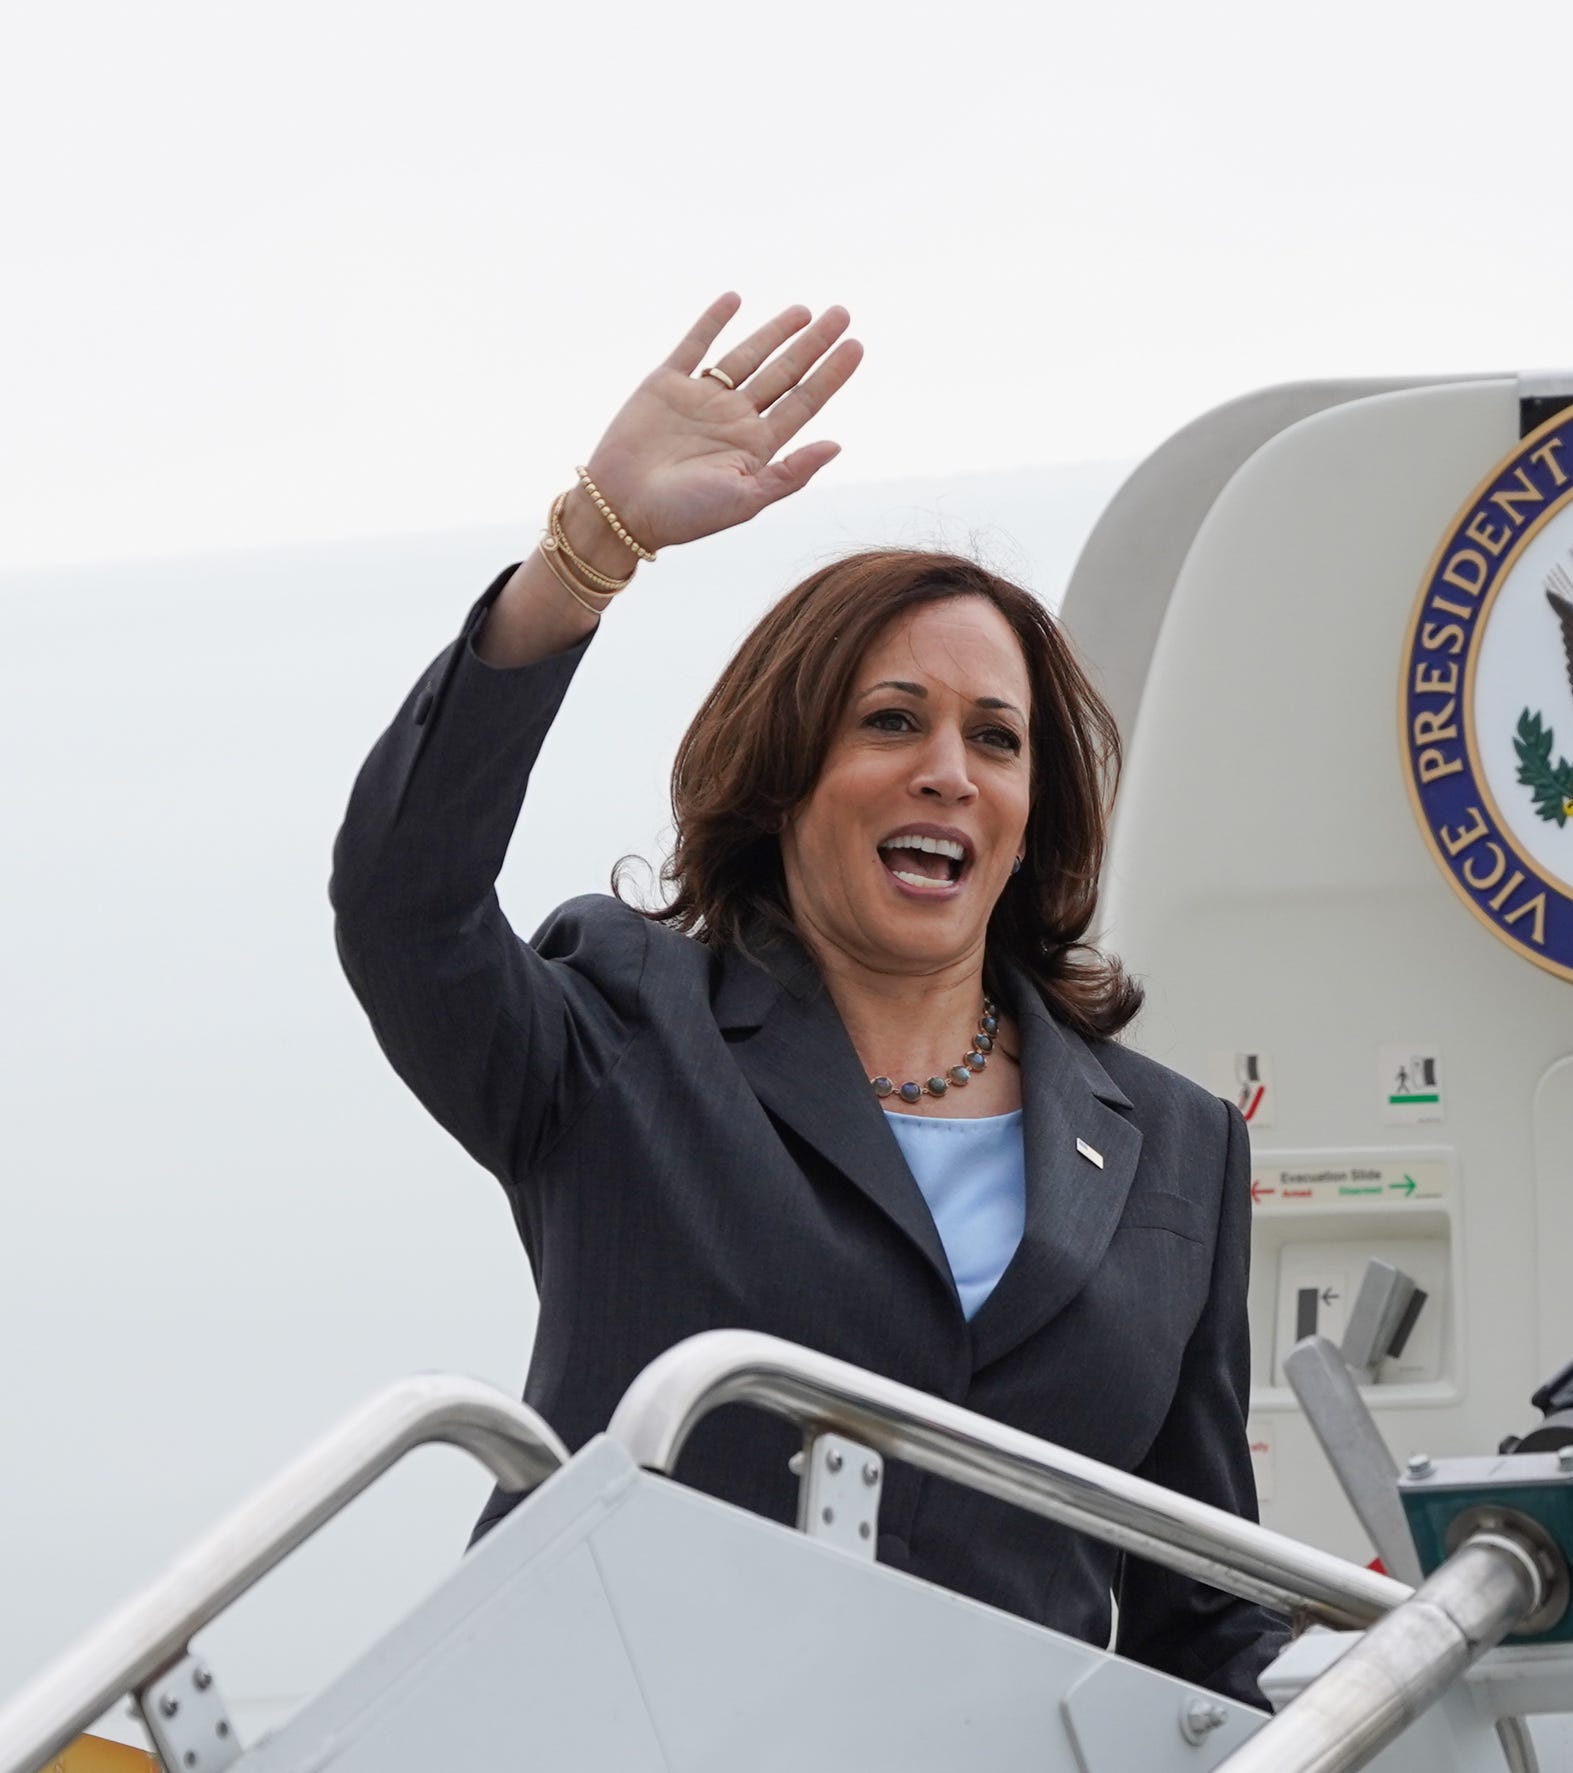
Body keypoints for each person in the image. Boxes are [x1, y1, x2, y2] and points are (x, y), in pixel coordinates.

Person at [330, 294, 1287, 1702]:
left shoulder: (1179, 1149)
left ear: (1036, 809)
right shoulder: (623, 1031)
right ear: (781, 778)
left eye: (997, 739)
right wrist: (587, 554)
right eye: (892, 722)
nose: (950, 771)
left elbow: (1198, 1615)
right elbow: (405, 905)